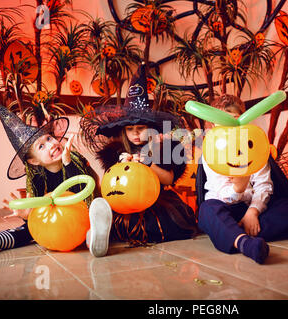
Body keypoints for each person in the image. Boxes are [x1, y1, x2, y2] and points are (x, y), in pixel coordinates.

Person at [80, 62, 199, 246]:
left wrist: (147, 164)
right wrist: (121, 167)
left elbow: (168, 179)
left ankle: (107, 233)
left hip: (157, 201)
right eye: (130, 129)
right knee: (119, 216)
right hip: (125, 202)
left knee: (163, 223)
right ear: (124, 131)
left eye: (141, 128)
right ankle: (98, 233)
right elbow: (111, 185)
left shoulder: (163, 148)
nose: (135, 133)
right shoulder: (117, 152)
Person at [0, 103, 109, 259]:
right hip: (58, 220)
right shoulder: (35, 175)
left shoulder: (72, 158)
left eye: (49, 138)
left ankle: (94, 237)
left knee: (92, 221)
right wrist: (26, 215)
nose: (51, 144)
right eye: (41, 146)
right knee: (28, 230)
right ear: (34, 161)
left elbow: (84, 190)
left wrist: (67, 161)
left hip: (83, 212)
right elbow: (36, 208)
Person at [195, 94, 288, 264]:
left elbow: (264, 185)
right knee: (207, 210)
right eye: (223, 121)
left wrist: (253, 211)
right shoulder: (211, 152)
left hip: (254, 210)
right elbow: (218, 191)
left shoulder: (254, 147)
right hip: (225, 207)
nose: (230, 126)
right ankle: (244, 242)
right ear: (213, 125)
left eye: (234, 119)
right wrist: (237, 189)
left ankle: (231, 233)